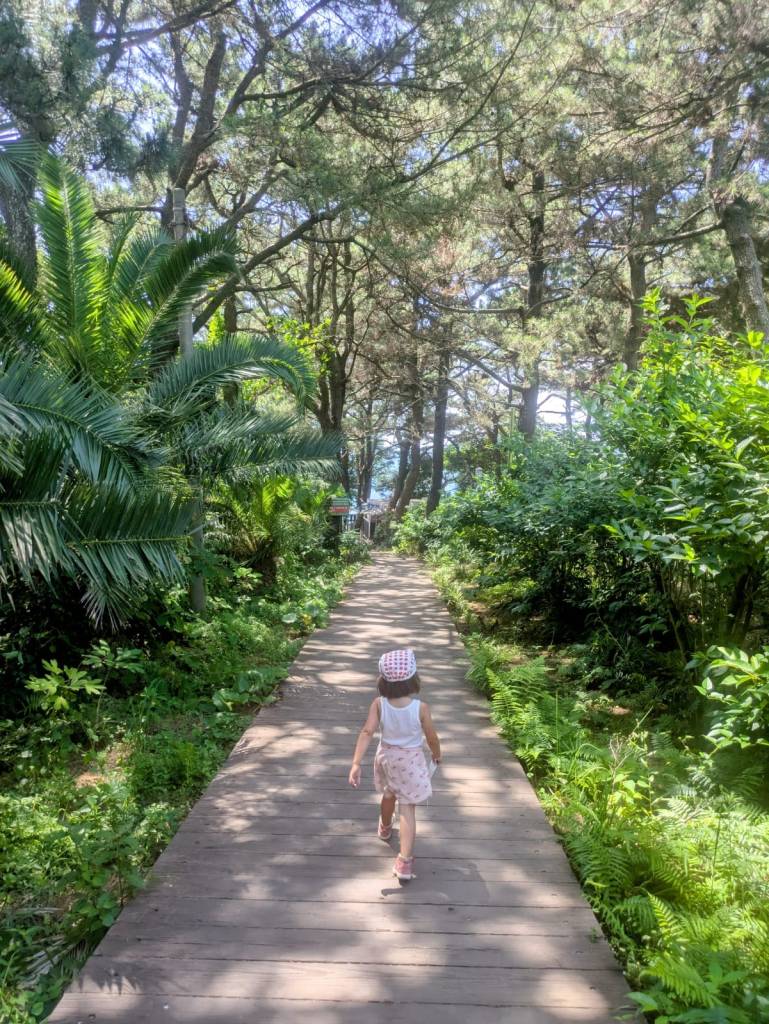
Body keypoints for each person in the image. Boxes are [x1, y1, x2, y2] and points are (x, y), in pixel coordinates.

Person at [348, 648, 441, 881]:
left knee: (389, 794)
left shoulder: (379, 704)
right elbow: (431, 736)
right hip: (409, 761)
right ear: (413, 678)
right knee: (408, 808)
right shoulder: (420, 708)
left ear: (383, 680)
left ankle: (385, 827)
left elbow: (367, 731)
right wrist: (437, 754)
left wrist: (356, 763)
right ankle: (404, 862)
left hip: (387, 759)